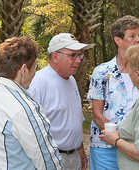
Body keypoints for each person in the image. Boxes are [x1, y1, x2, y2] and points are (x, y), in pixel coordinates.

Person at [0, 37, 63, 170]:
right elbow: (49, 162)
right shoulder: (24, 108)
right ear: (24, 70)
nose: (35, 73)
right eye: (35, 67)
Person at [28, 33, 93, 170]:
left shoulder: (71, 80)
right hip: (51, 159)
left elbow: (73, 119)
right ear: (55, 56)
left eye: (79, 55)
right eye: (73, 55)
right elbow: (29, 126)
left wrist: (80, 150)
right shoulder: (39, 82)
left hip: (73, 156)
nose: (78, 60)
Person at [87, 15, 139, 169]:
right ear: (118, 40)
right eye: (132, 36)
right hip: (105, 150)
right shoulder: (102, 72)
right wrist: (118, 138)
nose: (138, 40)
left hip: (136, 148)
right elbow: (97, 115)